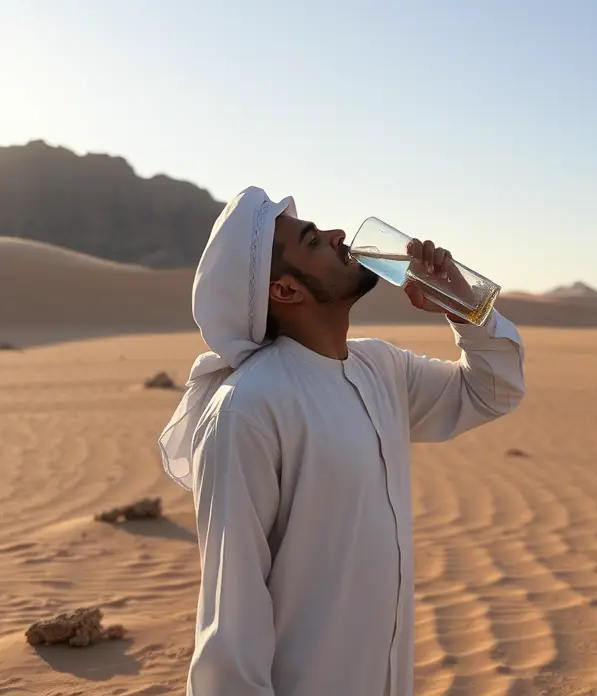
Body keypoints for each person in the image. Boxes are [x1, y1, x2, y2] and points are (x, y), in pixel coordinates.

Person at [158, 187, 525, 696]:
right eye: (312, 240)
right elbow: (231, 615)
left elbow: (491, 391)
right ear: (286, 291)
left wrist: (463, 307)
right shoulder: (248, 409)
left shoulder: (381, 366)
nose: (336, 234)